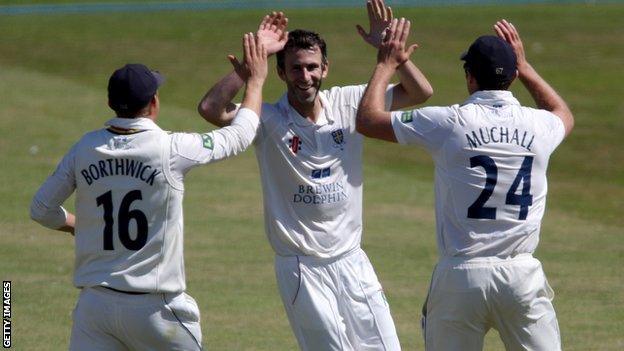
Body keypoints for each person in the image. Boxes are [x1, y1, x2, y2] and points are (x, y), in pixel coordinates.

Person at [197, 2, 433, 349]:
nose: (304, 77)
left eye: (311, 68)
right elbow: (211, 109)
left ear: (325, 68)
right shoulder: (266, 117)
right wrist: (250, 68)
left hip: (352, 261)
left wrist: (393, 53)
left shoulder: (351, 102)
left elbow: (419, 92)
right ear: (280, 73)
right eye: (295, 69)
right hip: (301, 268)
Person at [29, 33, 268, 351]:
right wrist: (255, 81)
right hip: (156, 312)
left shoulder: (84, 148)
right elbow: (239, 135)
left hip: (94, 310)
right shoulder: (170, 147)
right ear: (153, 103)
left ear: (110, 104)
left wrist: (77, 225)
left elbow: (41, 209)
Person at [356, 18, 573, 351]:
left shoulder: (448, 121)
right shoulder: (540, 125)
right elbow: (563, 113)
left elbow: (368, 120)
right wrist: (525, 66)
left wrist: (387, 63)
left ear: (469, 77)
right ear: (513, 76)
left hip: (461, 277)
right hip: (521, 277)